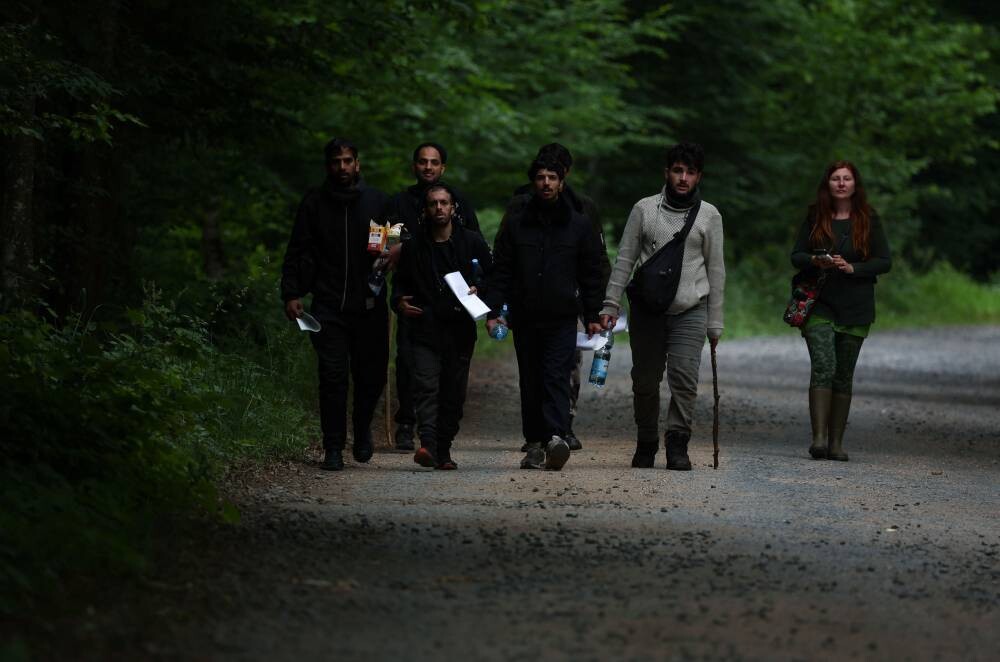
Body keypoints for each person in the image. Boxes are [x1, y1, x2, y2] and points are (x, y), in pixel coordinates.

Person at [600, 142, 725, 470]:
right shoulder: (644, 209)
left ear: (699, 177)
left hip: (691, 308)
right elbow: (625, 258)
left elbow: (716, 269)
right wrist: (610, 304)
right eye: (677, 170)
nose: (683, 178)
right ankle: (646, 439)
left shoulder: (709, 216)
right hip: (647, 308)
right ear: (666, 172)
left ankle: (677, 442)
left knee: (684, 378)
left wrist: (716, 320)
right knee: (644, 379)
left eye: (690, 172)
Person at [484, 157, 604, 471]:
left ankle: (555, 436)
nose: (546, 183)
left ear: (562, 182)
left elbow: (591, 271)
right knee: (531, 380)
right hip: (525, 315)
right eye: (540, 177)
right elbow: (502, 269)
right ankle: (535, 444)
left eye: (552, 177)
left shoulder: (578, 224)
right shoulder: (517, 221)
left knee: (556, 376)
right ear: (533, 182)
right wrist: (494, 311)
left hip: (562, 315)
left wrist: (594, 313)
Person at [281, 138, 388, 471]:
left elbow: (391, 243)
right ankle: (332, 446)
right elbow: (298, 248)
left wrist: (391, 253)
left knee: (371, 377)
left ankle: (362, 429)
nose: (342, 167)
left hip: (369, 305)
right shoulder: (314, 203)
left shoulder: (377, 202)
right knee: (332, 376)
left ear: (357, 163)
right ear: (328, 165)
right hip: (327, 305)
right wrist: (292, 293)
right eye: (336, 161)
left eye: (347, 161)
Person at [383, 143, 482, 452]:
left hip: (454, 304)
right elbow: (386, 241)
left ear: (443, 168)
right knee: (409, 363)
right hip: (415, 294)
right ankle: (407, 422)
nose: (428, 167)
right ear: (414, 166)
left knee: (449, 374)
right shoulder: (399, 201)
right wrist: (394, 252)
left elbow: (477, 250)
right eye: (423, 162)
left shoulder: (459, 201)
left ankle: (439, 433)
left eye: (434, 162)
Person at [790, 160, 891, 461]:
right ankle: (818, 439)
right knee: (823, 364)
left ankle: (836, 443)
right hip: (819, 303)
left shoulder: (869, 219)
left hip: (856, 306)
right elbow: (796, 255)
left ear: (855, 185)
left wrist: (853, 267)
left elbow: (884, 261)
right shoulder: (815, 216)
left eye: (847, 178)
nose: (842, 183)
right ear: (828, 184)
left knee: (843, 374)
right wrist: (815, 260)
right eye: (836, 178)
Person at [391, 184, 492, 469]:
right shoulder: (413, 247)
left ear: (453, 208)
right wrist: (399, 302)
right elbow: (399, 285)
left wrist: (479, 289)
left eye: (444, 203)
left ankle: (443, 448)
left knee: (454, 393)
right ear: (425, 209)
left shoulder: (471, 242)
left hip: (459, 329)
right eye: (433, 203)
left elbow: (493, 277)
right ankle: (428, 443)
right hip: (424, 327)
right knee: (425, 386)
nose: (439, 208)